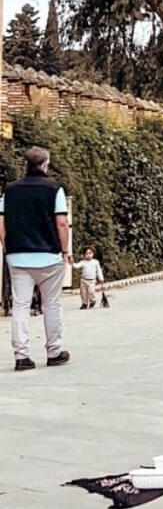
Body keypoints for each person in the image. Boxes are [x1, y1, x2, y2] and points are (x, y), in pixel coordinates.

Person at [0, 146, 72, 371]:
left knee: (20, 305)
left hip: (18, 256)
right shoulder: (54, 189)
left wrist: (7, 248)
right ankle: (54, 351)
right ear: (45, 164)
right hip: (49, 255)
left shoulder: (9, 191)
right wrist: (65, 251)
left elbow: (1, 222)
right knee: (51, 303)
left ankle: (22, 356)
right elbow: (61, 222)